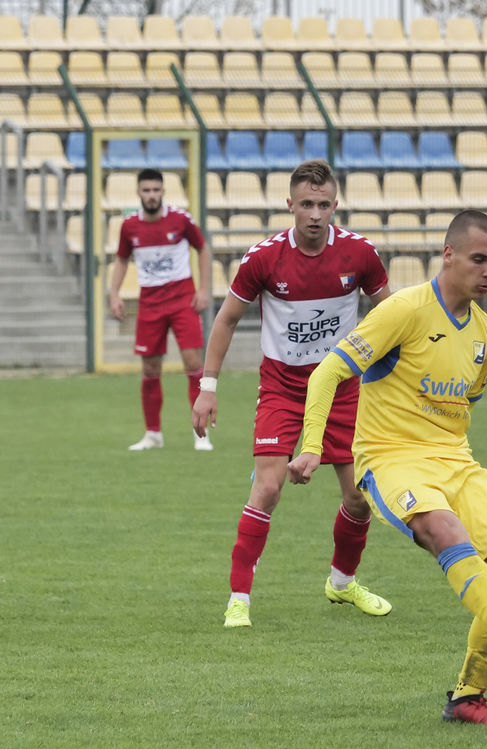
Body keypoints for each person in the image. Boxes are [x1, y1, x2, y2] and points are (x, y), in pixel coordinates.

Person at [288, 210, 487, 726]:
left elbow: (464, 405)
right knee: (440, 528)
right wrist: (312, 446)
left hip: (455, 459)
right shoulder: (404, 310)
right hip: (390, 457)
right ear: (448, 254)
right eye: (479, 259)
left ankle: (468, 699)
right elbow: (328, 372)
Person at [192, 159, 393, 629]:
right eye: (306, 204)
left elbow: (392, 316)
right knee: (267, 487)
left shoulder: (360, 254)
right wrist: (207, 387)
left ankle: (342, 583)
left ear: (335, 205)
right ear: (290, 205)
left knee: (360, 497)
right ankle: (239, 599)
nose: (315, 214)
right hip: (282, 388)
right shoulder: (263, 259)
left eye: (323, 205)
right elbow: (226, 319)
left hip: (342, 388)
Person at [109, 168, 213, 451]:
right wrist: (114, 293)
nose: (152, 195)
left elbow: (203, 249)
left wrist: (203, 289)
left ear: (163, 191)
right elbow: (121, 260)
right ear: (138, 192)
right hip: (150, 303)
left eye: (156, 190)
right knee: (150, 368)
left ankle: (201, 434)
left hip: (182, 300)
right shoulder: (130, 226)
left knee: (193, 363)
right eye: (147, 190)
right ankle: (153, 434)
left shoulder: (181, 219)